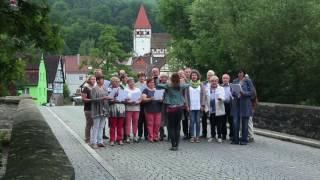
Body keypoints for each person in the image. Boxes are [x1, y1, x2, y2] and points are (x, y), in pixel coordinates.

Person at [157, 73, 189, 151]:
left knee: (171, 127)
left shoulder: (168, 85)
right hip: (179, 107)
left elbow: (158, 85)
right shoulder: (181, 85)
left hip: (170, 108)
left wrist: (158, 78)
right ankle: (177, 145)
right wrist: (185, 78)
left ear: (171, 78)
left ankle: (173, 145)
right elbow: (189, 84)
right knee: (177, 126)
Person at [231, 69, 255, 145]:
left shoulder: (248, 81)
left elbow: (252, 92)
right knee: (235, 122)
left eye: (241, 72)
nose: (240, 74)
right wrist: (235, 93)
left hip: (245, 104)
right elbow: (232, 92)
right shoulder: (235, 81)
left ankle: (244, 140)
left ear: (244, 73)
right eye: (238, 72)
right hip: (236, 103)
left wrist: (243, 93)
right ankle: (235, 139)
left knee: (245, 122)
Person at [185, 70, 206, 143]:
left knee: (197, 122)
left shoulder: (201, 84)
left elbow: (203, 95)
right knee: (192, 122)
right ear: (191, 76)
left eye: (195, 75)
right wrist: (187, 105)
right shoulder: (188, 85)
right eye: (192, 75)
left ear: (197, 76)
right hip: (191, 106)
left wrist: (203, 105)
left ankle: (197, 136)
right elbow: (186, 96)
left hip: (199, 106)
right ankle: (192, 136)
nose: (194, 76)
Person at [90, 74, 111, 149]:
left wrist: (109, 98)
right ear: (98, 80)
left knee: (101, 126)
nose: (103, 81)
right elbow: (92, 99)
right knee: (96, 126)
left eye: (103, 79)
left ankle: (100, 141)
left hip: (104, 109)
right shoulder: (94, 89)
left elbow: (106, 97)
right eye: (102, 79)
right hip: (96, 109)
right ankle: (94, 142)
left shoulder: (105, 88)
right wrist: (103, 98)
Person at [109, 77, 127, 146]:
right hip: (113, 108)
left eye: (118, 81)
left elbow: (125, 98)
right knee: (113, 125)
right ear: (112, 82)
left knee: (120, 125)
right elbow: (108, 99)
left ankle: (119, 139)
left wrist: (125, 99)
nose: (117, 83)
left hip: (121, 108)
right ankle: (112, 140)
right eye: (115, 81)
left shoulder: (122, 88)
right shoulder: (109, 89)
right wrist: (114, 100)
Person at [208, 75, 226, 143]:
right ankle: (212, 136)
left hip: (219, 108)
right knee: (212, 124)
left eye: (215, 81)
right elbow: (206, 99)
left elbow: (223, 96)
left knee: (219, 124)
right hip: (211, 109)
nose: (214, 82)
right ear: (210, 81)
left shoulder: (221, 88)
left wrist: (221, 98)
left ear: (217, 81)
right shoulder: (208, 89)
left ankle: (219, 136)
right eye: (212, 81)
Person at [124, 77, 141, 143]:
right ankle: (128, 136)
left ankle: (134, 135)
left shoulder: (138, 89)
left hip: (136, 108)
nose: (131, 83)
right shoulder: (125, 90)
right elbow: (124, 99)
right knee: (128, 123)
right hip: (128, 107)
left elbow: (140, 98)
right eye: (130, 82)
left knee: (135, 122)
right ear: (128, 83)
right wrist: (129, 102)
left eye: (133, 82)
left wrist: (138, 102)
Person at [81, 75, 96, 143]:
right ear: (89, 80)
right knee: (89, 124)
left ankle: (93, 138)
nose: (93, 80)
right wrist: (92, 100)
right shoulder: (86, 88)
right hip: (88, 109)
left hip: (95, 108)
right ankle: (87, 139)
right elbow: (84, 99)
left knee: (95, 124)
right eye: (92, 79)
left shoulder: (95, 88)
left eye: (94, 79)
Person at [201, 70, 215, 138]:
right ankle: (204, 133)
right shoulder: (203, 83)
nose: (209, 76)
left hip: (212, 104)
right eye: (208, 75)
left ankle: (213, 134)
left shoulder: (215, 83)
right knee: (204, 119)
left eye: (211, 75)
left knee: (212, 119)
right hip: (204, 103)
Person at [245, 74, 258, 142]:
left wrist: (253, 108)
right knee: (247, 121)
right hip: (247, 106)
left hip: (250, 106)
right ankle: (247, 135)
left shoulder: (251, 87)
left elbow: (253, 97)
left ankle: (251, 136)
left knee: (249, 121)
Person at [136, 72, 148, 141]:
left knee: (146, 120)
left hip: (146, 103)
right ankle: (140, 135)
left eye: (143, 76)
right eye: (140, 76)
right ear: (138, 77)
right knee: (139, 120)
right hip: (138, 104)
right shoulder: (136, 84)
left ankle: (146, 135)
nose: (142, 78)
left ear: (145, 77)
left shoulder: (147, 84)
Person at [221, 74, 233, 140]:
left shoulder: (232, 86)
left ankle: (231, 135)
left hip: (230, 105)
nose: (225, 79)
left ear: (229, 79)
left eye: (226, 78)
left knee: (231, 121)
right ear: (222, 79)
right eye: (224, 78)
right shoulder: (220, 86)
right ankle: (224, 135)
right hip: (222, 105)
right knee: (223, 121)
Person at [159, 73, 169, 141]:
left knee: (168, 119)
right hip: (161, 104)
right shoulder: (158, 86)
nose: (164, 79)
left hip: (168, 104)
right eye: (162, 77)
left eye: (165, 77)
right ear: (160, 79)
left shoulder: (169, 85)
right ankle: (161, 135)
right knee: (161, 120)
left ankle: (170, 135)